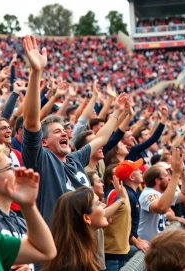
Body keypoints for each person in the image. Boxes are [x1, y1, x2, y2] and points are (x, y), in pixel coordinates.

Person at [21, 35, 127, 225]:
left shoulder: (74, 159)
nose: (64, 133)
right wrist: (36, 72)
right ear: (43, 142)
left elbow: (101, 139)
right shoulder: (41, 159)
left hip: (84, 242)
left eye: (64, 130)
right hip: (60, 242)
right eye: (57, 132)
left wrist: (117, 113)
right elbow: (30, 122)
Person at [40, 187, 108, 271]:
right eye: (98, 203)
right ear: (87, 218)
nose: (104, 205)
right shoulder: (74, 266)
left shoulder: (79, 255)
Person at [138, 148, 185, 241]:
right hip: (147, 246)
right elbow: (161, 208)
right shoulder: (148, 194)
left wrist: (182, 172)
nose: (169, 178)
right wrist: (176, 174)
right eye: (166, 175)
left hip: (156, 243)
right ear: (157, 180)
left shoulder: (160, 193)